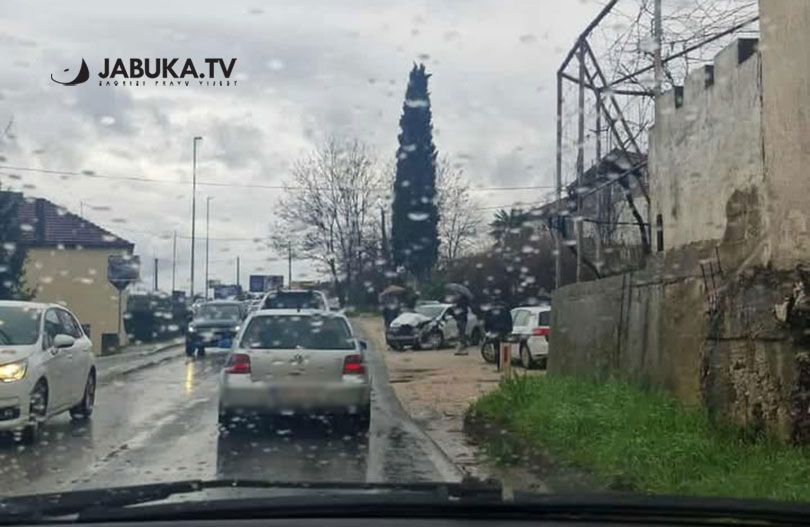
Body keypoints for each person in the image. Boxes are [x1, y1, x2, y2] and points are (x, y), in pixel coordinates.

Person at [482, 298, 513, 370]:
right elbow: (509, 320)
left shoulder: (490, 310)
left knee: (497, 349)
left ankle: (499, 365)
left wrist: (487, 330)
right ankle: (505, 366)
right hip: (504, 330)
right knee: (504, 348)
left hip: (494, 331)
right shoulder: (505, 310)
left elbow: (487, 321)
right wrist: (510, 329)